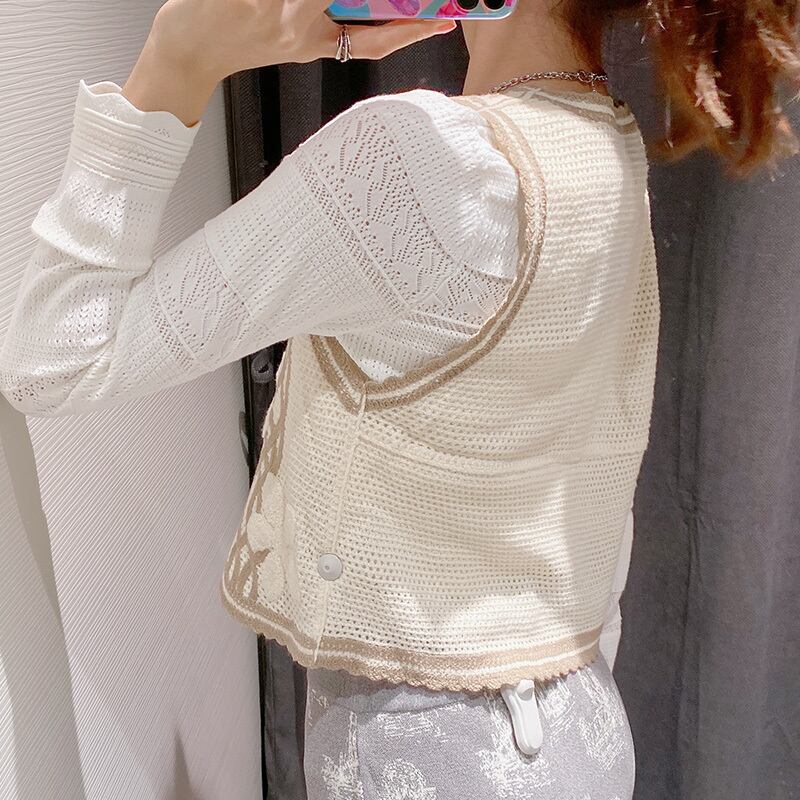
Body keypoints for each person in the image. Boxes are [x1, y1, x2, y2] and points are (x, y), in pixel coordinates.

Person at [1, 1, 797, 798]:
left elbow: (56, 358)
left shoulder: (422, 163)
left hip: (436, 756)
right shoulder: (602, 140)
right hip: (579, 726)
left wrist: (179, 58)